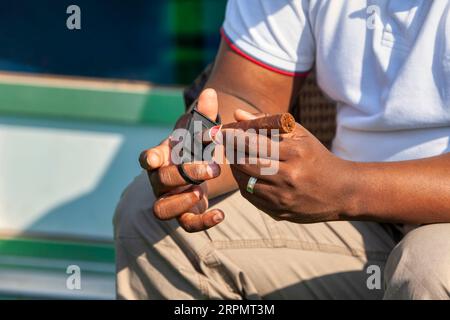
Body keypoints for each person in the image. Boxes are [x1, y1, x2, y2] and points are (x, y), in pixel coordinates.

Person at [114, 0, 450, 299]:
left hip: (414, 219)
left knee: (427, 264)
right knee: (151, 214)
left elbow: (344, 189)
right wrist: (194, 160)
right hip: (360, 218)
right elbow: (247, 96)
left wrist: (347, 187)